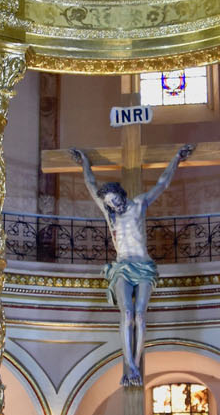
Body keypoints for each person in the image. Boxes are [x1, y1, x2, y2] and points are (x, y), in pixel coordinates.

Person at [70, 143, 194, 385]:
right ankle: (129, 367)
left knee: (140, 315)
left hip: (144, 266)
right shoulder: (110, 215)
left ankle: (136, 364)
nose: (114, 205)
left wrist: (176, 158)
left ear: (121, 194)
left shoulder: (138, 205)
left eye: (115, 199)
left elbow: (162, 184)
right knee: (126, 313)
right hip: (123, 266)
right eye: (109, 203)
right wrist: (85, 163)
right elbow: (90, 185)